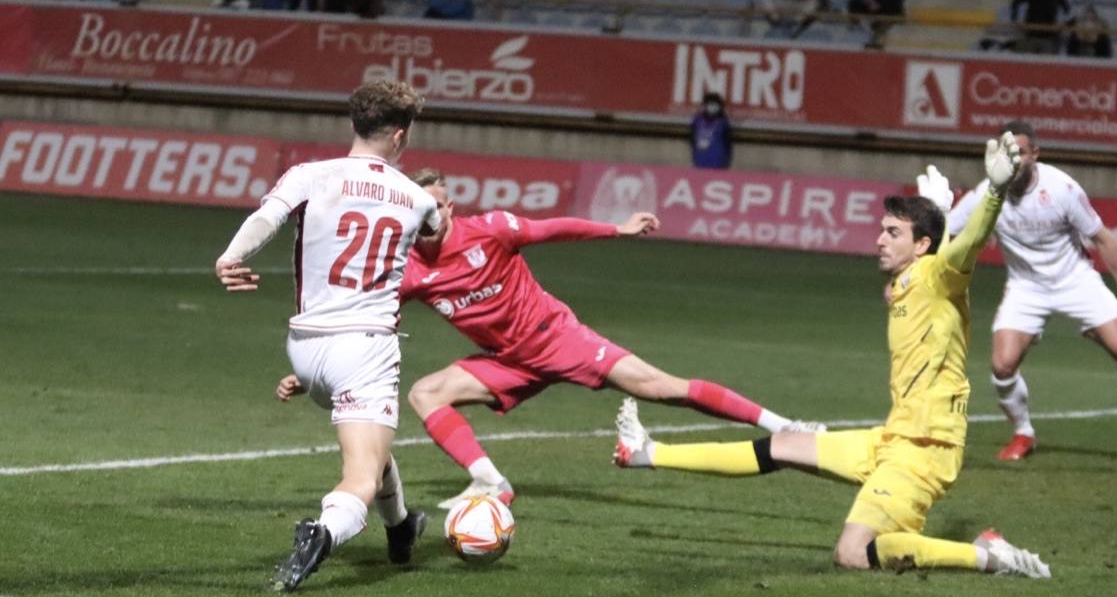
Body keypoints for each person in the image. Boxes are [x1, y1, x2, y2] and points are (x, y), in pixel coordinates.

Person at [614, 135, 1053, 578]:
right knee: (783, 446)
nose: (879, 239)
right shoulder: (911, 278)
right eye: (882, 229)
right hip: (894, 439)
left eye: (892, 233)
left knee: (852, 554)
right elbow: (936, 253)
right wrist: (934, 213)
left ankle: (985, 555)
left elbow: (969, 244)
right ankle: (646, 452)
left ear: (920, 245)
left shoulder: (941, 276)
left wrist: (994, 193)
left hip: (925, 451)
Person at [284, 168, 821, 511]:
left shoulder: (490, 229)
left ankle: (783, 426)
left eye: (436, 206)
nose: (427, 216)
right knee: (427, 392)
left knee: (662, 387)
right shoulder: (409, 271)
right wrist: (313, 367)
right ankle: (491, 482)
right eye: (417, 208)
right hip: (507, 359)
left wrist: (617, 229)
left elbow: (552, 229)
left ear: (450, 209)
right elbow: (365, 317)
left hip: (556, 337)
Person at [214, 81, 441, 592]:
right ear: (401, 136)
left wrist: (231, 258)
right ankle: (321, 532)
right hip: (364, 347)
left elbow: (266, 217)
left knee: (374, 446)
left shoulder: (309, 175)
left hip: (305, 347)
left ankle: (401, 527)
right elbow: (433, 232)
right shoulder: (417, 198)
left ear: (354, 125)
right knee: (361, 475)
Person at [947, 121, 1117, 463]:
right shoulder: (987, 194)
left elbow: (1104, 240)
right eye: (1007, 154)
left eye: (1021, 154)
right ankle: (1023, 434)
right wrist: (905, 276)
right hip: (1026, 287)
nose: (1014, 162)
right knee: (1002, 366)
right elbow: (943, 233)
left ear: (1036, 155)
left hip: (1076, 280)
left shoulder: (1061, 189)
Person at [690, 92, 732, 169]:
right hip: (699, 160)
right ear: (705, 105)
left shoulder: (723, 122)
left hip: (718, 162)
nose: (712, 107)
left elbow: (728, 144)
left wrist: (725, 161)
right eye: (710, 104)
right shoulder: (697, 120)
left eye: (715, 104)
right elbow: (692, 138)